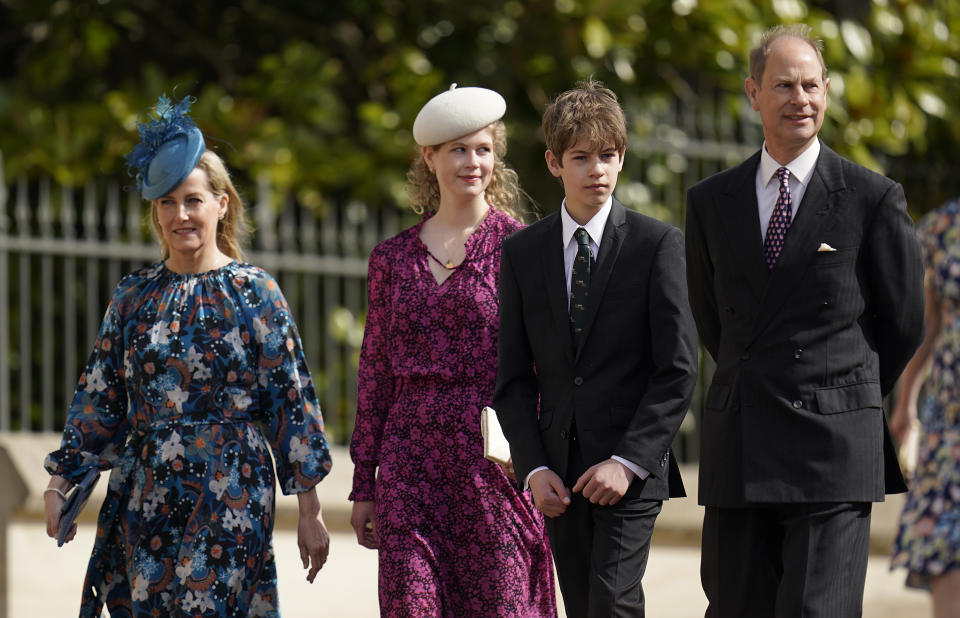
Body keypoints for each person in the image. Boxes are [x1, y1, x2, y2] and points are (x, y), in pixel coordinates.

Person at [43, 94, 333, 617]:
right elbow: (99, 395)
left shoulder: (255, 291)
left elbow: (290, 398)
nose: (181, 215)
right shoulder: (133, 296)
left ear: (222, 203)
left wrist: (310, 510)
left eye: (193, 199)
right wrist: (60, 480)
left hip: (231, 487)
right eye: (167, 202)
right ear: (155, 212)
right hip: (146, 489)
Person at [684, 24, 925, 617]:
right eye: (784, 84)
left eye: (812, 85)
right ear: (752, 93)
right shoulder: (711, 201)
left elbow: (904, 323)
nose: (800, 98)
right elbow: (712, 320)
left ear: (827, 92)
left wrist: (840, 390)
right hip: (741, 442)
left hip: (833, 450)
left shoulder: (873, 197)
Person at [348, 84, 557, 617]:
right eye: (458, 149)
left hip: (494, 466)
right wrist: (363, 484)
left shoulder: (523, 248)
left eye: (483, 149)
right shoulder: (390, 259)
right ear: (430, 157)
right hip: (408, 467)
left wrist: (536, 462)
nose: (472, 162)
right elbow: (374, 373)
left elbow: (545, 367)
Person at [493, 79, 698, 617]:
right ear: (554, 163)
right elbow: (514, 380)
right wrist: (534, 470)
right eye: (581, 157)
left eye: (608, 155)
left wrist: (628, 462)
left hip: (630, 470)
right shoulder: (521, 253)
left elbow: (677, 368)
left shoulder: (658, 245)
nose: (597, 170)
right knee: (583, 606)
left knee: (612, 603)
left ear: (622, 157)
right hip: (558, 473)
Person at [890, 198, 960, 617]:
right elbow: (928, 328)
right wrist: (905, 403)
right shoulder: (944, 227)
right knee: (946, 544)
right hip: (950, 420)